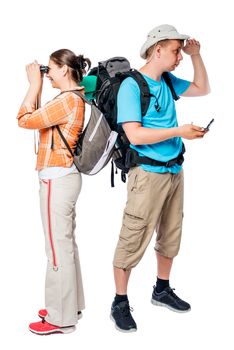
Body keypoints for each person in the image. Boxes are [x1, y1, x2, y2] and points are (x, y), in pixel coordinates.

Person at [111, 24, 210, 332]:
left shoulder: (167, 80)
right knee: (133, 236)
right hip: (147, 173)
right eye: (176, 51)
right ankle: (120, 303)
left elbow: (202, 88)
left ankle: (162, 290)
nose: (179, 56)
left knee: (170, 232)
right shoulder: (131, 86)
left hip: (173, 171)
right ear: (157, 50)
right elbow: (135, 135)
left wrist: (196, 56)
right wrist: (179, 131)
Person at [17, 49, 91, 335]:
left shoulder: (67, 100)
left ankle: (61, 319)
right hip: (65, 176)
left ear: (64, 70)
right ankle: (70, 305)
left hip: (56, 179)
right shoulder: (75, 98)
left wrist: (33, 84)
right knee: (66, 245)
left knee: (57, 250)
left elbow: (24, 119)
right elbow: (38, 118)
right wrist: (37, 85)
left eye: (49, 70)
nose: (47, 76)